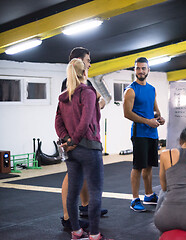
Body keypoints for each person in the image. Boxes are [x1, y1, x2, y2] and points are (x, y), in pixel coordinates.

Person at [55, 58, 111, 240]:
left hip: (72, 151)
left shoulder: (63, 97)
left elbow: (58, 123)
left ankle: (76, 231)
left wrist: (67, 140)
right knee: (95, 192)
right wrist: (74, 140)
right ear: (84, 72)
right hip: (88, 148)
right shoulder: (88, 92)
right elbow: (86, 120)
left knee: (72, 193)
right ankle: (94, 234)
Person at [123, 57, 165, 212]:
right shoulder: (131, 90)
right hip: (139, 133)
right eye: (138, 68)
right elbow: (127, 113)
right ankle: (134, 199)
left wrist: (160, 118)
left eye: (143, 68)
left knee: (149, 166)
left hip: (152, 133)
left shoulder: (152, 89)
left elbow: (155, 110)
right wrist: (147, 121)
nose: (140, 71)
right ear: (134, 70)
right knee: (138, 166)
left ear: (148, 70)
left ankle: (148, 195)